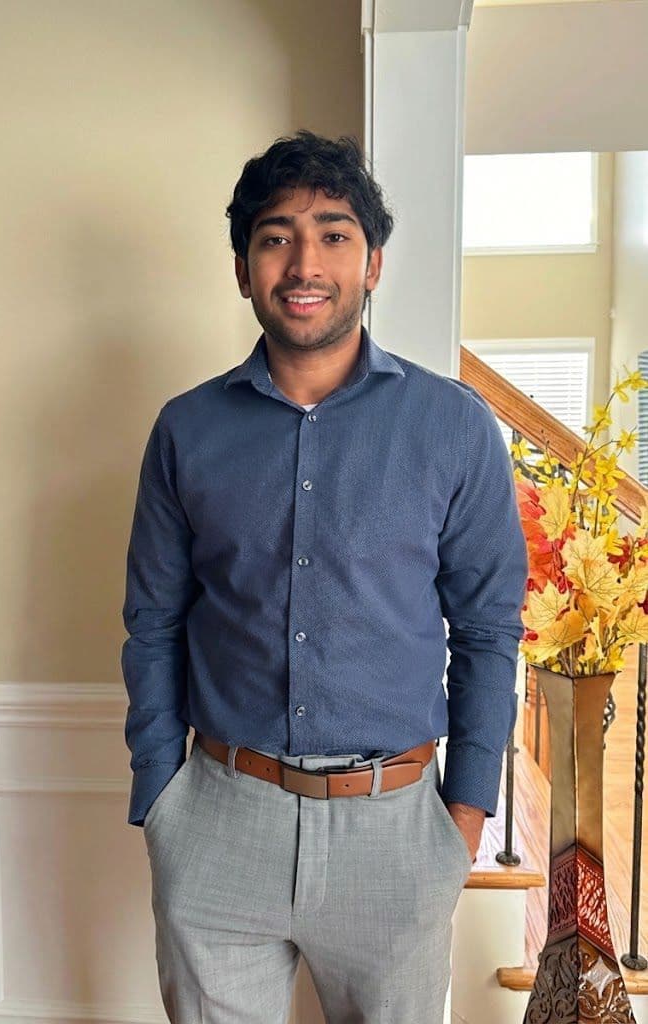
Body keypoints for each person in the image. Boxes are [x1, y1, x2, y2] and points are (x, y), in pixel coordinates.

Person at [120, 129, 529, 1023]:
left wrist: (462, 818)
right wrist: (162, 795)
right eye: (275, 236)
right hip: (220, 817)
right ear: (242, 268)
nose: (304, 262)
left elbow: (491, 630)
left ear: (372, 262)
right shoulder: (186, 431)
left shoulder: (453, 429)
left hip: (396, 829)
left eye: (333, 234)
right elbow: (153, 620)